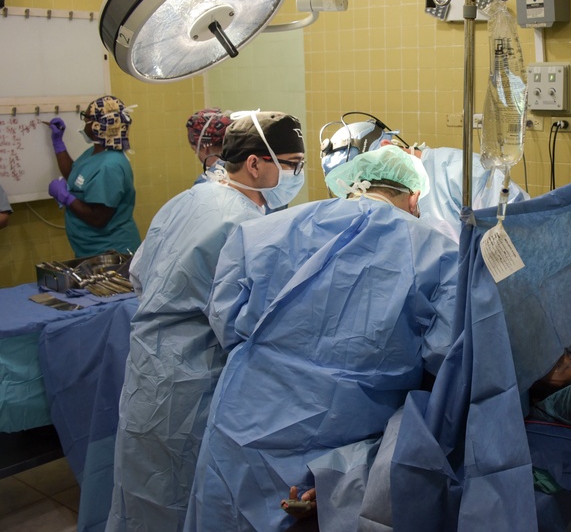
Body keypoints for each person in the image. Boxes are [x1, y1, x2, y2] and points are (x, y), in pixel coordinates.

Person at [185, 145, 458, 532]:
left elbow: (227, 321)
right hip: (341, 454)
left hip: (246, 425)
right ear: (414, 198)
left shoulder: (267, 228)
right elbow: (449, 361)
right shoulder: (437, 252)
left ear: (351, 186)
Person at [106, 110, 305, 532]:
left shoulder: (187, 199)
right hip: (194, 381)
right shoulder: (248, 225)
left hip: (147, 369)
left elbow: (139, 272)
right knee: (188, 494)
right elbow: (248, 323)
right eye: (291, 164)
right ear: (255, 163)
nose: (296, 173)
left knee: (144, 494)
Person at [321, 115, 529, 242]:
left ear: (388, 151)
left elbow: (521, 232)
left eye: (369, 184)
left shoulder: (462, 173)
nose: (371, 200)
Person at [46, 96, 141, 257]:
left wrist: (66, 198)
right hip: (91, 251)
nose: (85, 122)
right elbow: (74, 177)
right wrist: (58, 143)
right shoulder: (95, 153)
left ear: (99, 124)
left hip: (112, 253)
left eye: (87, 118)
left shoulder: (110, 166)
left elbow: (98, 218)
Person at [186, 107, 233, 184]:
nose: (196, 154)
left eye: (195, 150)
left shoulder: (205, 183)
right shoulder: (247, 167)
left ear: (205, 148)